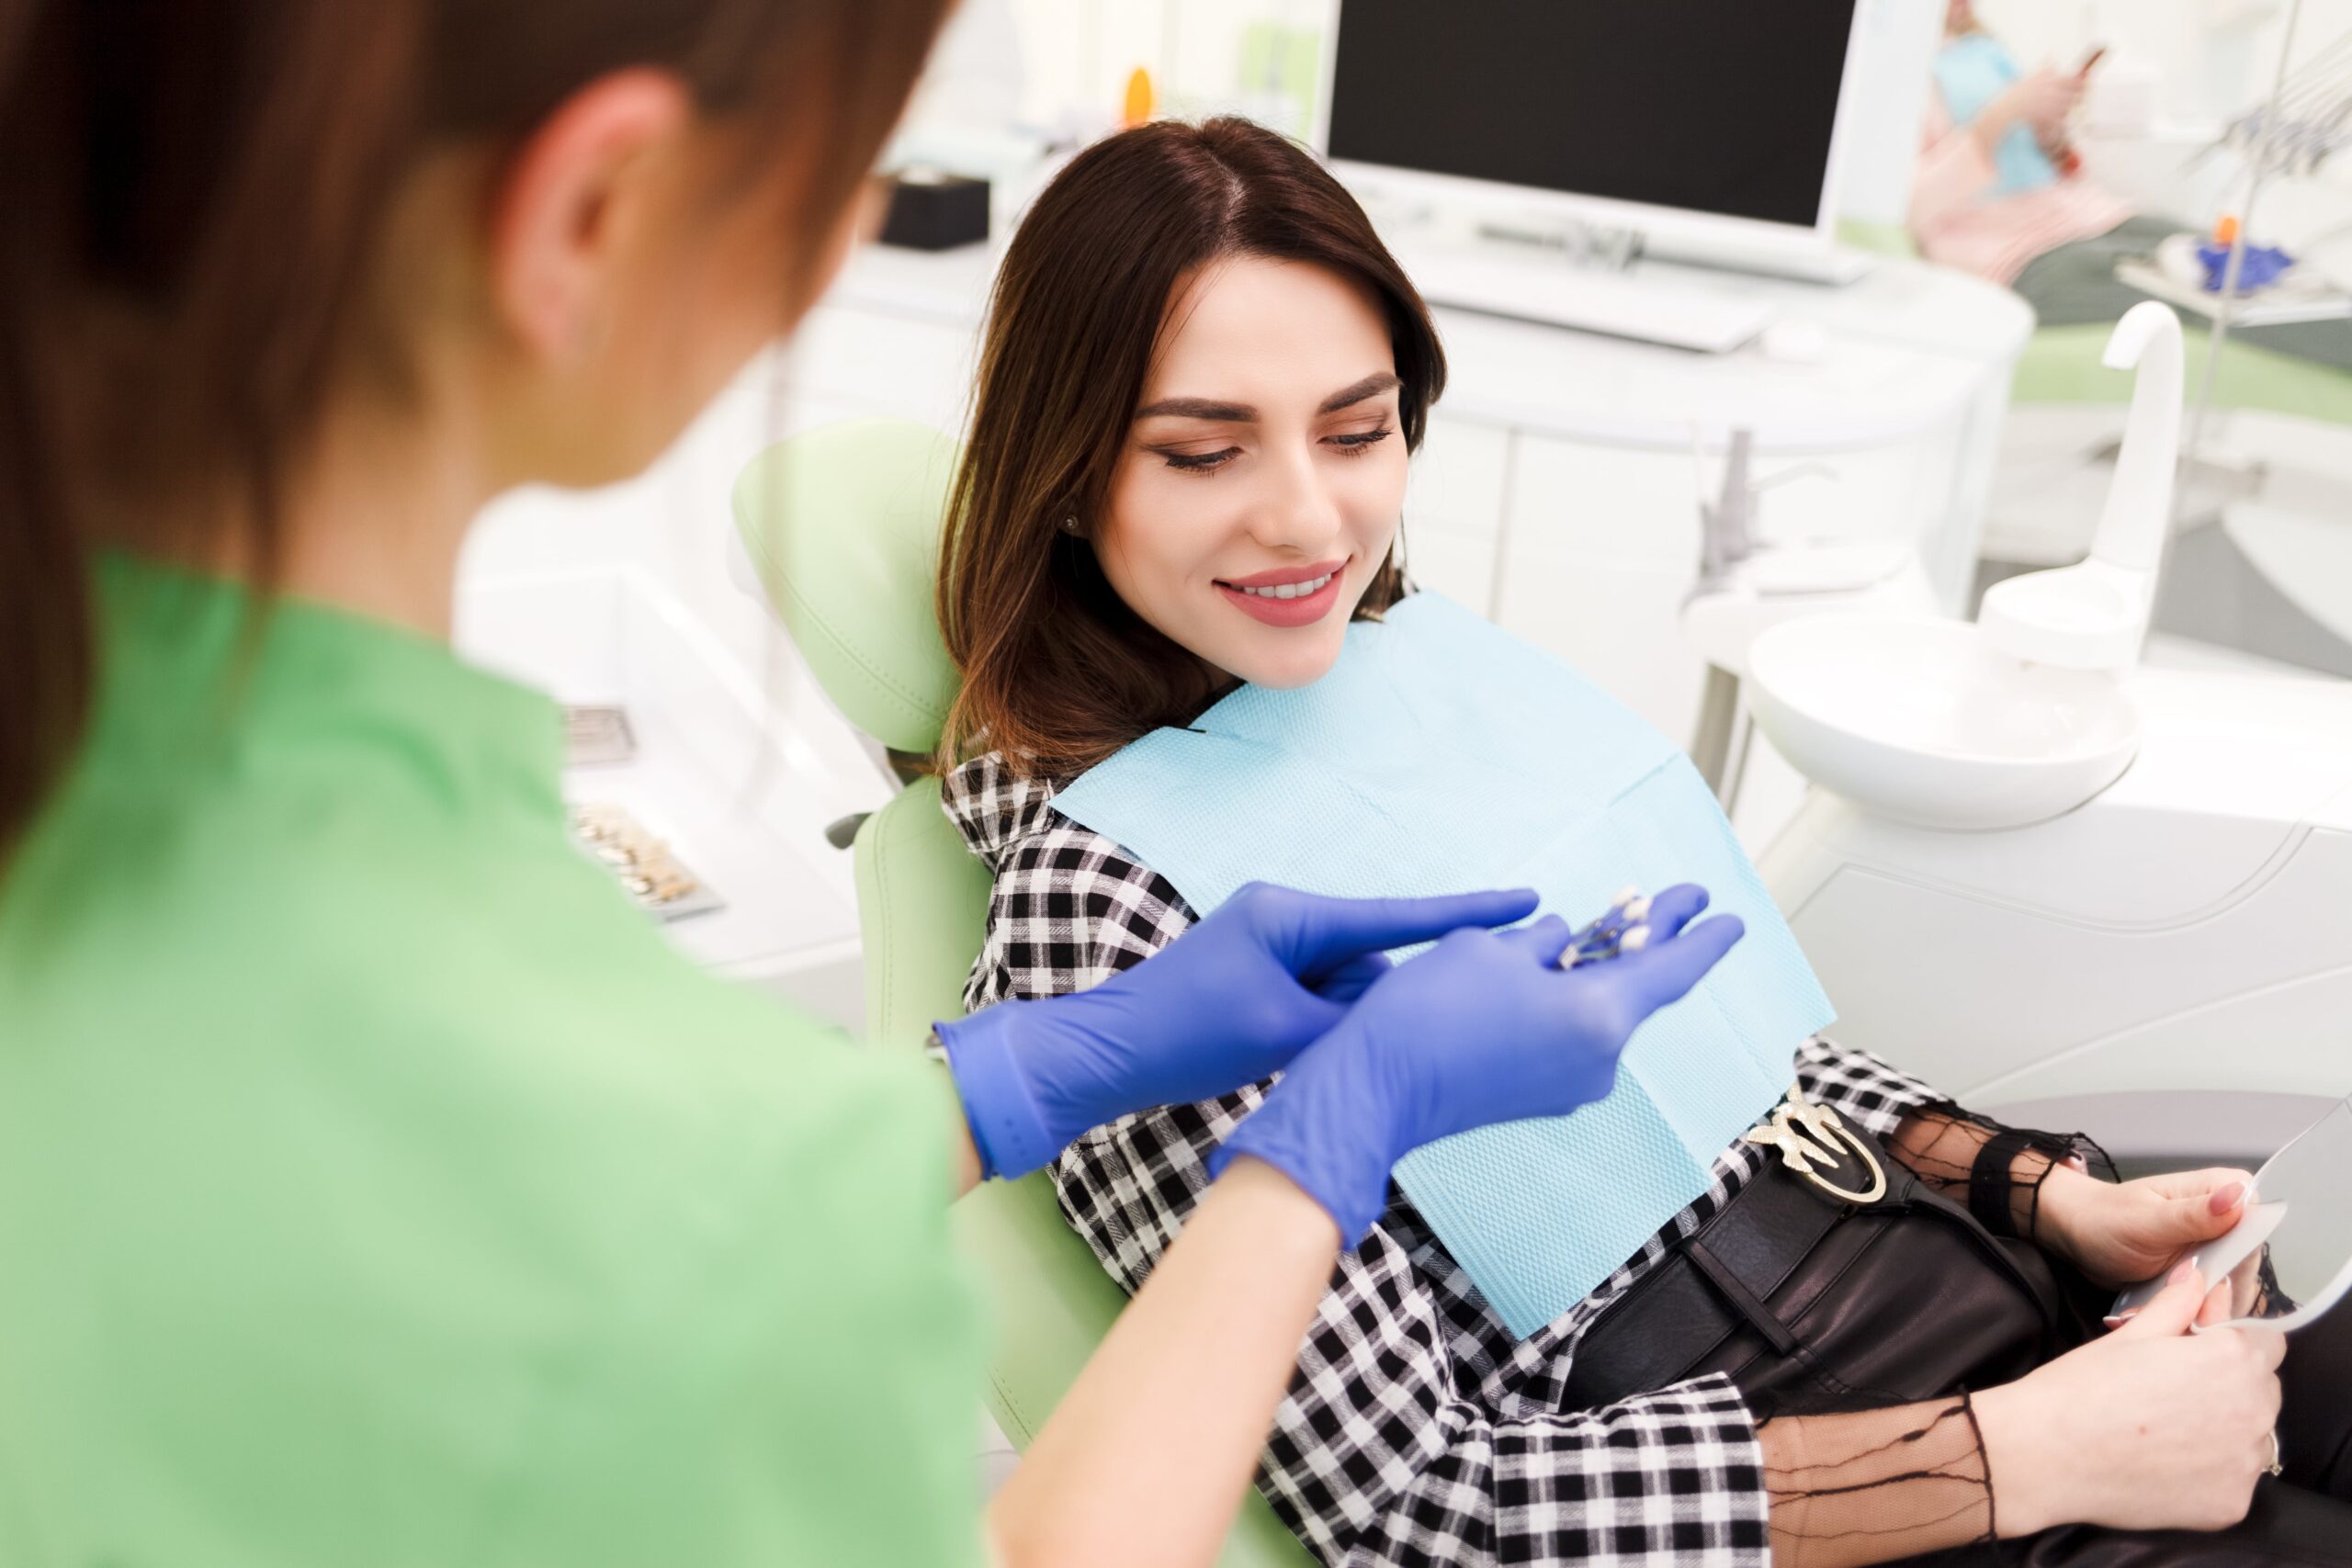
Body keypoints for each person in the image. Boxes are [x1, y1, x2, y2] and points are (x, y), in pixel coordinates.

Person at [0, 7, 1745, 1564]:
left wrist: (995, 1089)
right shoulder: (694, 1176)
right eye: (858, 169)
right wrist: (1317, 1151)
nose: (1305, 513)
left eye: (1359, 430)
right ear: (595, 209)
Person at [935, 115, 2352, 1567]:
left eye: (1357, 431)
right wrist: (2029, 1453)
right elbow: (1417, 1507)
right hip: (1796, 1461)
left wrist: (2047, 1193)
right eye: (1201, 452)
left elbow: (1740, 1040)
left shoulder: (1422, 667)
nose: (1308, 517)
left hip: (1982, 1283)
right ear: (1064, 471)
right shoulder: (1104, 905)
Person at [1917, 1, 2352, 370]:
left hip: (2094, 217)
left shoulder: (1983, 53)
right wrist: (1997, 119)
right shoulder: (1900, 81)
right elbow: (1909, 207)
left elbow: (2049, 164)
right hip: (2021, 258)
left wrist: (2048, 129)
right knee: (2196, 296)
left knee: (2248, 262)